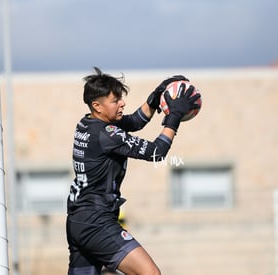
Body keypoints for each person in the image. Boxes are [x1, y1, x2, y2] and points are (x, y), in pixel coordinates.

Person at [66, 67, 200, 275]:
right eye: (115, 100)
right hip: (97, 223)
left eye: (121, 98)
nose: (122, 103)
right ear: (97, 106)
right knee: (150, 273)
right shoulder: (107, 135)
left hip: (78, 221)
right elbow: (157, 152)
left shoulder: (86, 123)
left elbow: (133, 122)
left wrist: (155, 98)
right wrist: (174, 116)